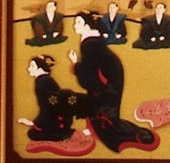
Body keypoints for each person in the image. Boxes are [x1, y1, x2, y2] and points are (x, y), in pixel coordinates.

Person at [68, 11, 159, 152]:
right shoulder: (91, 40)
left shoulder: (89, 43)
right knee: (100, 105)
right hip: (108, 74)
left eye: (78, 22)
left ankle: (101, 132)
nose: (75, 25)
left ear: (87, 25)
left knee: (103, 109)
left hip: (106, 78)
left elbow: (88, 68)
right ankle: (93, 129)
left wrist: (75, 65)